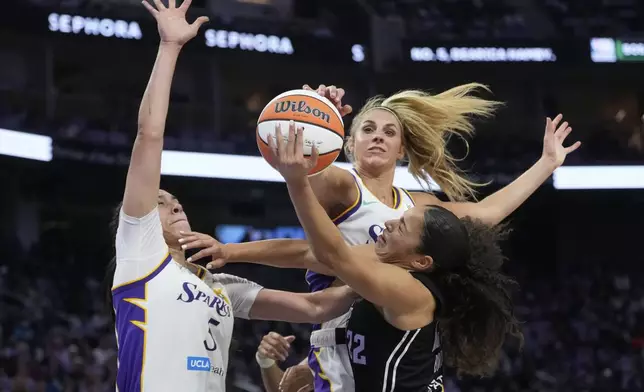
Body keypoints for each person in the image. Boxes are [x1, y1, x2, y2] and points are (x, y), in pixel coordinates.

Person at [194, 84, 580, 390]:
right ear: (350, 143)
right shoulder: (345, 185)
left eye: (389, 132)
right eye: (368, 129)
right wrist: (316, 118)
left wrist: (546, 163)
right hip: (342, 339)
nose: (378, 137)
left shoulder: (418, 209)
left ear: (402, 150)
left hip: (392, 335)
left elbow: (487, 213)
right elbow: (307, 193)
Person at [110, 2, 356, 391]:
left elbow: (317, 307)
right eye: (161, 202)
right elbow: (149, 136)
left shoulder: (221, 284)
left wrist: (390, 270)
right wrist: (170, 47)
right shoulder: (140, 255)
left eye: (176, 201)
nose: (175, 204)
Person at [238, 124, 521, 390]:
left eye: (401, 226)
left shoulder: (407, 289)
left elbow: (331, 254)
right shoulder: (385, 276)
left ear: (421, 260)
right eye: (368, 128)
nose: (388, 224)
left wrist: (296, 181)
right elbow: (314, 283)